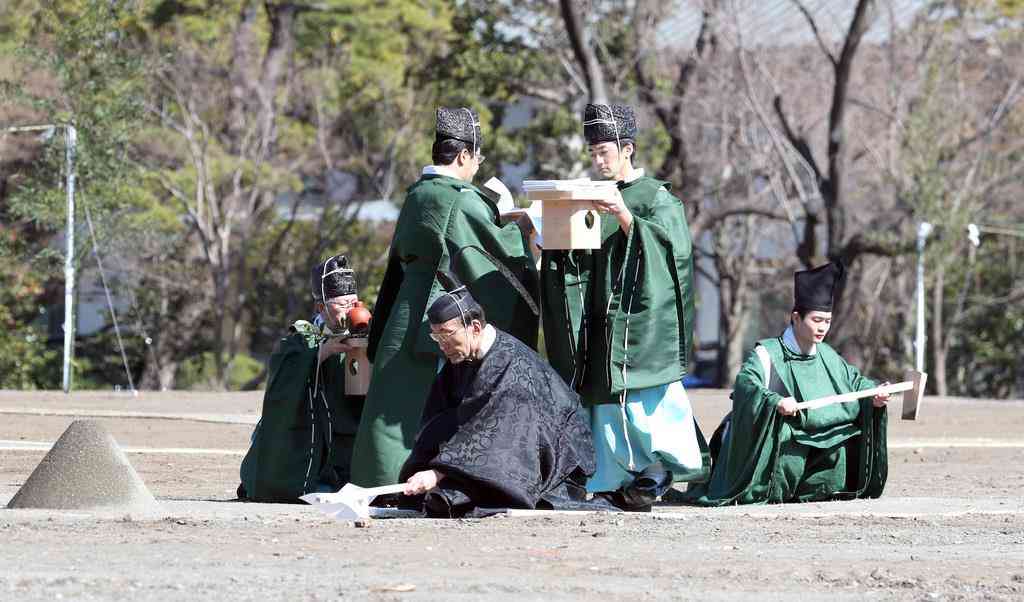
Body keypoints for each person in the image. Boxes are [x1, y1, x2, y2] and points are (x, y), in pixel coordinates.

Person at [351, 107, 540, 487]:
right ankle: (414, 481)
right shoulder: (460, 200)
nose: (475, 168)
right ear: (464, 155)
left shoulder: (418, 195)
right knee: (431, 405)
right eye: (476, 160)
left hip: (404, 308)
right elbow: (494, 253)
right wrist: (523, 231)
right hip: (439, 315)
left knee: (394, 401)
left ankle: (378, 480)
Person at [539, 103, 708, 511]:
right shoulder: (593, 196)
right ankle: (613, 478)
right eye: (593, 153)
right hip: (601, 319)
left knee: (645, 402)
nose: (598, 161)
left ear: (627, 149)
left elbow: (672, 255)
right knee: (605, 403)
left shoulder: (657, 198)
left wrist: (625, 216)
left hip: (639, 323)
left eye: (604, 152)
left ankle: (660, 469)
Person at [685, 261, 890, 505]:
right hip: (777, 437)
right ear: (796, 318)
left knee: (840, 441)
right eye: (816, 320)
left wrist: (874, 394)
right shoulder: (767, 353)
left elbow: (855, 382)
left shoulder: (827, 355)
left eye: (827, 321)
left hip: (819, 438)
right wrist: (775, 402)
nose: (823, 328)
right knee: (788, 443)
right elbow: (746, 384)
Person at [399, 272, 600, 518]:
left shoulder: (513, 368)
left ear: (475, 327)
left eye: (447, 334)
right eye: (436, 336)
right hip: (500, 451)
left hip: (555, 461)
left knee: (453, 499)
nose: (442, 344)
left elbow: (497, 432)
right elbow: (439, 418)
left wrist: (438, 472)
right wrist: (423, 466)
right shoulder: (460, 357)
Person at [238, 255, 365, 502]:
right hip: (309, 436)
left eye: (353, 302)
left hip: (347, 436)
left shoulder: (363, 333)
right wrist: (322, 352)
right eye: (342, 304)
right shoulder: (302, 337)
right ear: (321, 308)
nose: (350, 310)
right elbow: (282, 380)